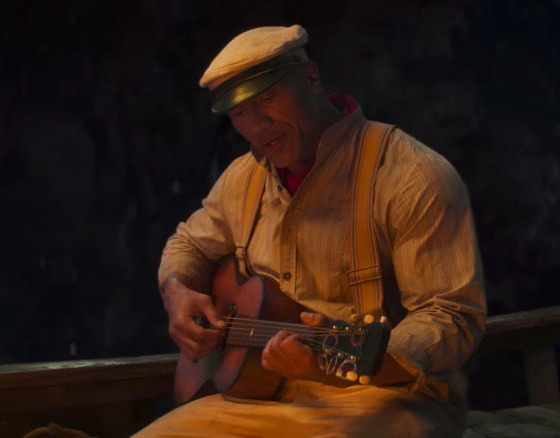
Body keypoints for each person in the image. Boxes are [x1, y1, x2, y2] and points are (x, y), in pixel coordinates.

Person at [134, 25, 486, 438]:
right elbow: (189, 242)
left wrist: (339, 363)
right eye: (240, 112)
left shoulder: (412, 174)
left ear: (311, 79)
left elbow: (451, 316)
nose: (259, 124)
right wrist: (177, 291)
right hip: (259, 403)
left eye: (269, 98)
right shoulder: (241, 179)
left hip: (384, 398)